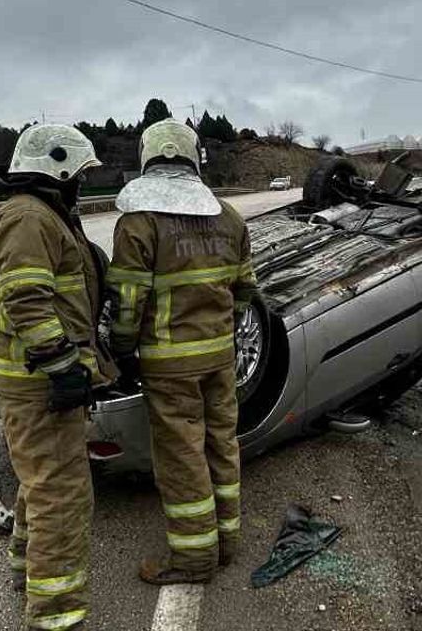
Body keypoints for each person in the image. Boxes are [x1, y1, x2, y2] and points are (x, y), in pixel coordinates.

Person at [107, 119, 257, 585]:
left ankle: (193, 559)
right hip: (220, 358)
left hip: (169, 364)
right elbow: (246, 291)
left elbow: (128, 302)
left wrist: (122, 350)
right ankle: (226, 541)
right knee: (222, 444)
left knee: (181, 456)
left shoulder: (138, 222)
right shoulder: (229, 217)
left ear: (147, 158)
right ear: (195, 158)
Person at [0, 124, 113, 631]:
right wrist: (63, 369)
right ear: (57, 170)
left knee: (42, 481)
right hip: (38, 379)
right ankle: (56, 614)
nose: (81, 182)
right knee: (62, 494)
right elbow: (27, 300)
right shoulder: (29, 219)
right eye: (79, 173)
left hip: (36, 376)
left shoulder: (42, 215)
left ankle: (25, 571)